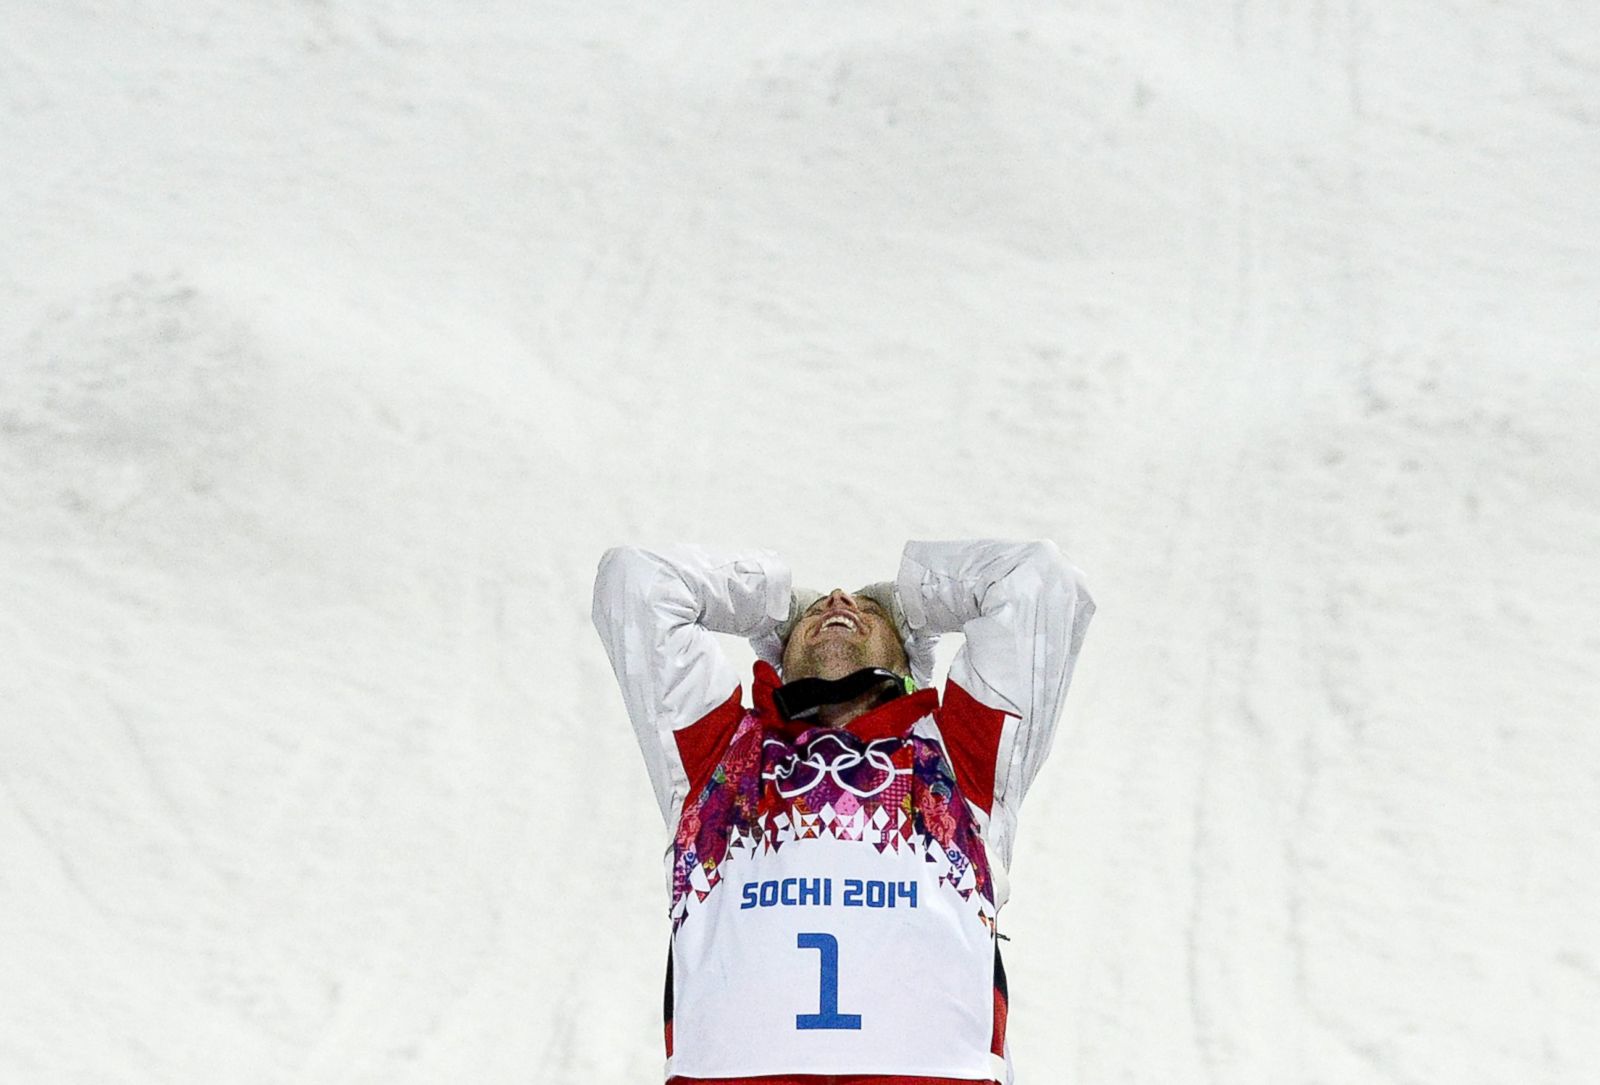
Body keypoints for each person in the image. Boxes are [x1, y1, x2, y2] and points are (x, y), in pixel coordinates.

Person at [592, 540, 1095, 1085]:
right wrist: (773, 606)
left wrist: (911, 602)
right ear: (777, 657)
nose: (837, 601)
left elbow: (1039, 580)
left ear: (908, 658)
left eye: (870, 610)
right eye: (816, 611)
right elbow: (637, 581)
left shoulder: (961, 754)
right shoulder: (717, 756)